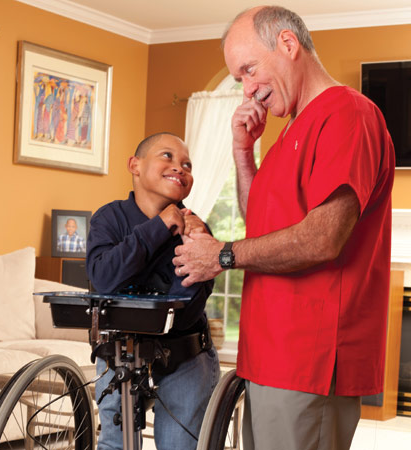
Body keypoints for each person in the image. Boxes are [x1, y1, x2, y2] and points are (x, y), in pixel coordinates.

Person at [172, 6, 395, 450]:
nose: (248, 89)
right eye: (238, 80)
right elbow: (262, 222)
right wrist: (242, 154)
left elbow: (322, 237)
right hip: (271, 356)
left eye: (249, 70)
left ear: (289, 45)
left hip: (308, 361)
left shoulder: (347, 114)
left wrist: (222, 255)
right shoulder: (291, 129)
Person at [86, 132, 220, 450]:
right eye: (167, 156)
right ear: (135, 165)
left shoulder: (197, 230)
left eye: (187, 164)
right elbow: (103, 279)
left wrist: (191, 239)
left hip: (184, 354)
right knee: (114, 443)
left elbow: (186, 310)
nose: (179, 167)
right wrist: (159, 227)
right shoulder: (109, 218)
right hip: (118, 352)